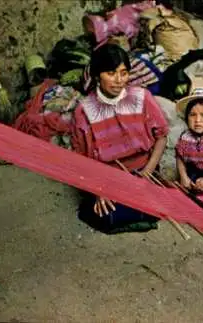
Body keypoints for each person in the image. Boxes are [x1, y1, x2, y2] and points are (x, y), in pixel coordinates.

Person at [70, 43, 169, 234]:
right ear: (98, 75)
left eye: (123, 73)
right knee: (107, 214)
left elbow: (162, 137)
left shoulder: (142, 97)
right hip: (106, 178)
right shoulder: (84, 110)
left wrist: (147, 173)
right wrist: (99, 190)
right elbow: (81, 159)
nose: (118, 80)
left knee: (158, 206)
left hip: (142, 172)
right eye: (111, 73)